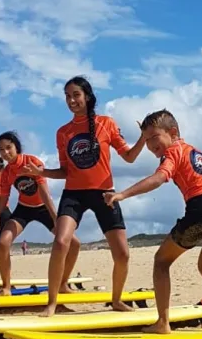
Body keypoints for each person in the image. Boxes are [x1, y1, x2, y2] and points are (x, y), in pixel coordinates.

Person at [103, 109, 202, 334]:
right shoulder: (199, 154)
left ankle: (163, 323)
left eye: (154, 137)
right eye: (146, 139)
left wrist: (122, 194)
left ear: (172, 133)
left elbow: (159, 178)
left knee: (161, 261)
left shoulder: (173, 152)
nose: (150, 144)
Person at [24, 76, 146, 317]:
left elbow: (129, 157)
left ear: (87, 97)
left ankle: (117, 300)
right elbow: (65, 171)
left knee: (122, 253)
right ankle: (51, 303)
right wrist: (42, 172)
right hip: (74, 194)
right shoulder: (63, 132)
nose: (71, 100)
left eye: (76, 95)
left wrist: (142, 137)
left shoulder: (106, 124)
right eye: (67, 96)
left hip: (104, 194)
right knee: (61, 242)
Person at [0, 131, 81, 297]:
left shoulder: (32, 162)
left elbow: (45, 195)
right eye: (1, 150)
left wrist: (55, 219)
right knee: (3, 243)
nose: (5, 152)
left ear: (16, 146)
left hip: (43, 207)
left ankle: (63, 283)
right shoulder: (7, 173)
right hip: (24, 209)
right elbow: (0, 205)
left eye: (8, 147)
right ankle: (6, 288)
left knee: (74, 243)